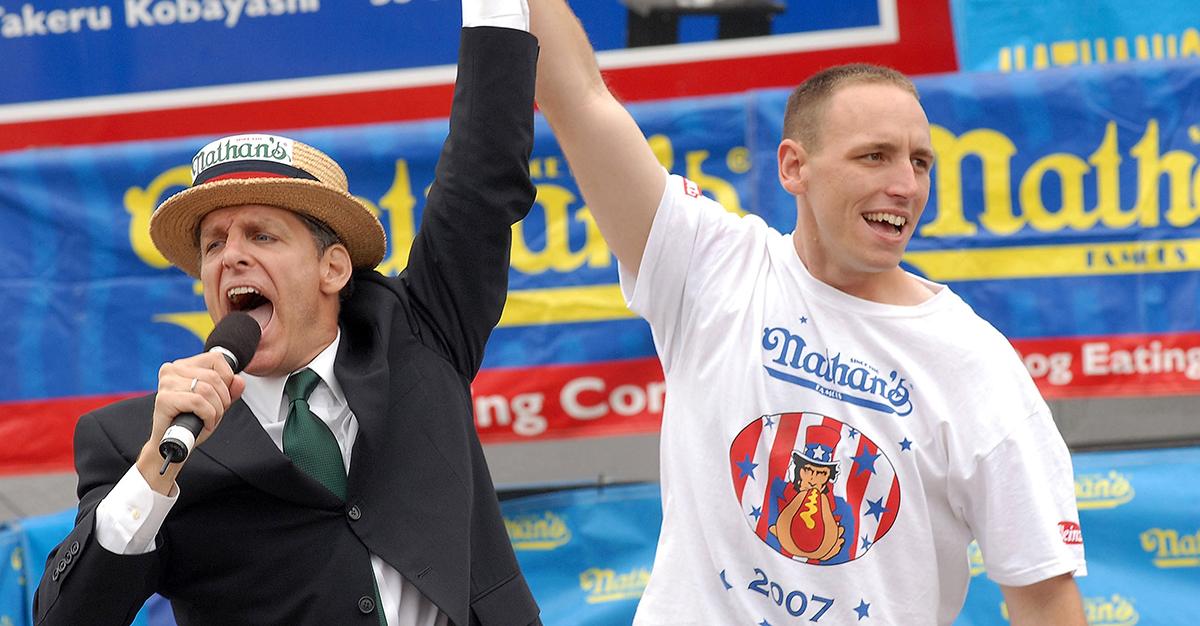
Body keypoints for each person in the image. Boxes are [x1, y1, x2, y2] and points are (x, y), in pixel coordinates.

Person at [529, 1, 1087, 624]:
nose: (906, 184)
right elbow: (577, 97)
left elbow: (1043, 596)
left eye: (920, 161)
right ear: (794, 166)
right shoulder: (712, 266)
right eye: (874, 156)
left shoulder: (974, 360)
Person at [33, 2, 541, 624]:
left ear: (333, 269)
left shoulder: (419, 333)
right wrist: (152, 471)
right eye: (214, 244)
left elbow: (481, 178)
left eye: (262, 236)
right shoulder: (139, 440)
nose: (231, 257)